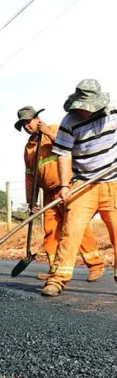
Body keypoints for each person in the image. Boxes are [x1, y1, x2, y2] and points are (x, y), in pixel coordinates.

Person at [41, 79, 116, 297]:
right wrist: (65, 185)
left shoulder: (114, 112)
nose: (83, 111)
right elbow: (63, 154)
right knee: (71, 230)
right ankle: (57, 279)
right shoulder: (69, 121)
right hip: (83, 184)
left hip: (113, 182)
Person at [15, 105, 104, 281]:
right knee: (51, 231)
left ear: (37, 119)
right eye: (23, 124)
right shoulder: (29, 148)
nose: (26, 126)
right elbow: (30, 177)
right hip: (48, 195)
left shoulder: (56, 129)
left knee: (75, 227)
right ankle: (55, 269)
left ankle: (95, 265)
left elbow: (71, 148)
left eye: (28, 122)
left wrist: (48, 132)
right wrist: (31, 201)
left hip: (68, 187)